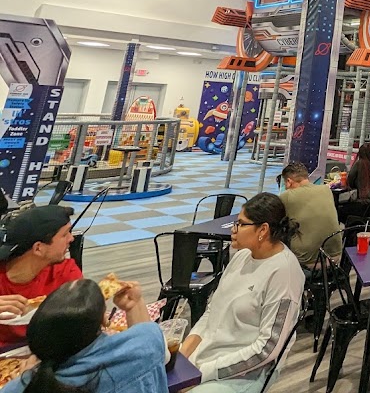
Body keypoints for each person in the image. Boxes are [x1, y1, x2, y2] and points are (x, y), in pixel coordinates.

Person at [181, 193, 304, 392]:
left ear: (263, 230)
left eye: (240, 224)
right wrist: (183, 354)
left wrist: (203, 373)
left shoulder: (284, 273)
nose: (233, 229)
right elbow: (213, 311)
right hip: (207, 358)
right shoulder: (242, 256)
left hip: (247, 373)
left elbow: (267, 349)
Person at [1, 277, 166, 393]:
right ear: (104, 319)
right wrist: (134, 304)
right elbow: (148, 340)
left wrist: (25, 378)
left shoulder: (19, 388)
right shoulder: (148, 342)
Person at [0, 205, 82, 346]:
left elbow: (82, 319)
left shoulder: (66, 271)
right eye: (64, 234)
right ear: (38, 248)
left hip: (49, 349)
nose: (71, 238)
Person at [278, 162, 342, 268]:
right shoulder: (326, 190)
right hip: (336, 257)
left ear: (289, 182)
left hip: (308, 262)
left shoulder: (287, 196)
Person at [338, 145, 370, 226]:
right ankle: (356, 228)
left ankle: (352, 229)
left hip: (366, 207)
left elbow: (349, 181)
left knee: (339, 210)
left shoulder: (359, 164)